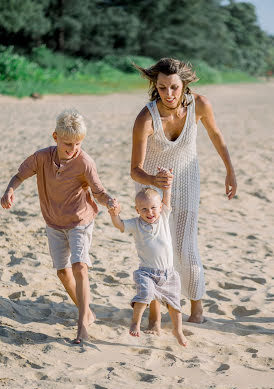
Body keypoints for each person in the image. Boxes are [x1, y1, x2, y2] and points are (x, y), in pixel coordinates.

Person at [131, 58, 237, 326]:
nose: (169, 94)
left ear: (184, 85)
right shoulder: (146, 117)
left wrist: (230, 170)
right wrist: (154, 179)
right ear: (156, 86)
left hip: (188, 183)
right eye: (163, 88)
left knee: (186, 248)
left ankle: (197, 307)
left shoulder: (199, 105)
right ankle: (157, 313)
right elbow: (135, 169)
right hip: (152, 192)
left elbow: (216, 135)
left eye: (174, 87)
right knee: (157, 251)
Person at [1, 109, 114, 344]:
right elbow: (19, 175)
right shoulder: (41, 157)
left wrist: (110, 201)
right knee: (63, 271)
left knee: (80, 266)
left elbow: (99, 191)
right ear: (55, 137)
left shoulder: (85, 162)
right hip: (53, 222)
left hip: (79, 221)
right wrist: (10, 190)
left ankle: (82, 323)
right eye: (67, 144)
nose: (72, 148)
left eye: (77, 143)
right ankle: (88, 311)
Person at [108, 168, 187, 346]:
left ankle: (178, 330)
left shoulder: (164, 217)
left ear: (160, 207)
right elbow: (119, 225)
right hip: (147, 273)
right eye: (144, 209)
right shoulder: (136, 224)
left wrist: (167, 183)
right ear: (137, 210)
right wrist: (114, 214)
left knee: (175, 304)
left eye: (153, 208)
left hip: (169, 273)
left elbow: (167, 197)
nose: (149, 212)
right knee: (145, 294)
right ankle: (136, 322)